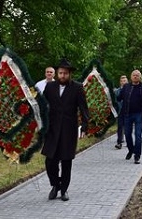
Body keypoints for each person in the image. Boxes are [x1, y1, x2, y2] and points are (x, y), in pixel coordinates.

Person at [41, 58, 89, 201]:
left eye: (65, 73)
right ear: (57, 73)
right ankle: (55, 185)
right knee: (50, 161)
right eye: (60, 73)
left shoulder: (77, 87)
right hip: (52, 129)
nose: (62, 76)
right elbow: (43, 105)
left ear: (69, 74)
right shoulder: (50, 87)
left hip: (69, 129)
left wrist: (85, 126)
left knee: (66, 161)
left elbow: (83, 108)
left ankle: (64, 190)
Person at [117, 70, 142, 164]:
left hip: (139, 114)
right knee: (128, 134)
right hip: (127, 114)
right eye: (134, 75)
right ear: (131, 77)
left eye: (137, 75)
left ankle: (137, 155)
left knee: (138, 135)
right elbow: (119, 98)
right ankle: (131, 149)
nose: (135, 77)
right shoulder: (126, 87)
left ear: (140, 77)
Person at [114, 75, 128, 149]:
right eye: (122, 81)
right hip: (120, 111)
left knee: (127, 128)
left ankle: (128, 141)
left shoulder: (130, 90)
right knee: (120, 127)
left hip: (128, 112)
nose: (123, 82)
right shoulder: (117, 91)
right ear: (120, 82)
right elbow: (115, 101)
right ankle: (119, 142)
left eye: (125, 81)